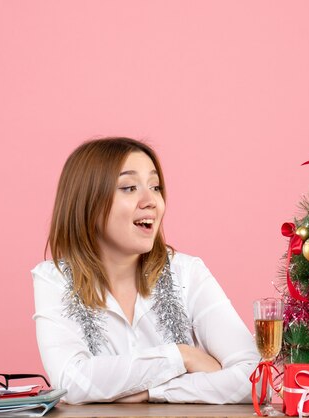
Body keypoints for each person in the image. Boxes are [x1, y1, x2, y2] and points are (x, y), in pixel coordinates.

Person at [32, 137, 260, 404]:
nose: (151, 200)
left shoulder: (187, 273)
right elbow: (71, 382)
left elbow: (256, 380)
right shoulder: (54, 279)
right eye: (129, 188)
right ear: (87, 203)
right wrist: (182, 356)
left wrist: (155, 392)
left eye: (155, 186)